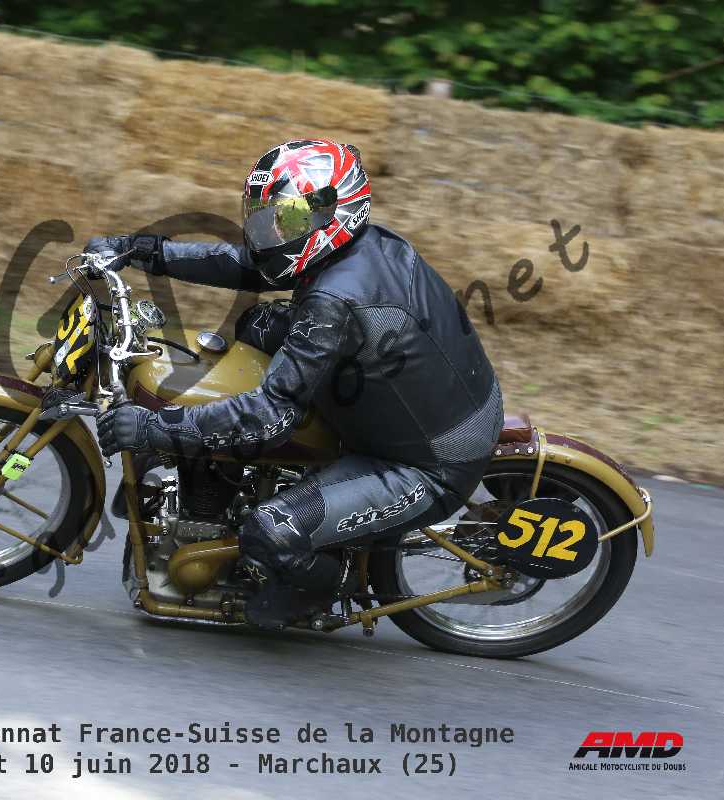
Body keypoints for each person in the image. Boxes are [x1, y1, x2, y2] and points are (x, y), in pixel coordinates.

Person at [92, 138, 503, 629]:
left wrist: (156, 428)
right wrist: (146, 251)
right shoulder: (364, 245)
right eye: (265, 217)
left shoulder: (334, 302)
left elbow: (270, 415)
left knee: (272, 530)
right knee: (260, 325)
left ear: (333, 213)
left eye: (284, 219)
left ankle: (319, 587)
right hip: (426, 401)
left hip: (426, 462)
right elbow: (247, 265)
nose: (269, 231)